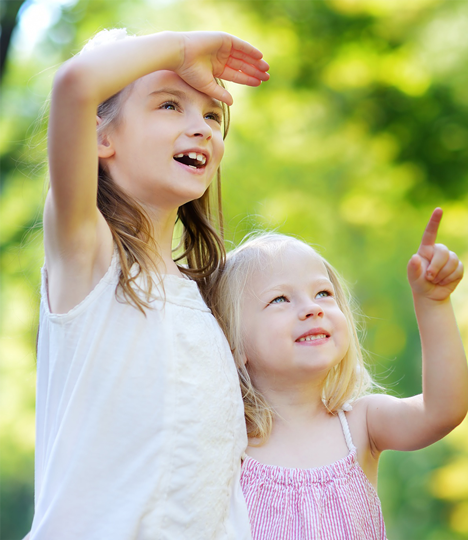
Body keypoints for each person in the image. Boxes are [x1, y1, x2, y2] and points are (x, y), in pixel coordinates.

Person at [29, 28, 269, 540]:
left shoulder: (205, 298)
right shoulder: (88, 254)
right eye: (168, 106)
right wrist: (182, 49)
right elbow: (74, 84)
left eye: (211, 115)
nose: (201, 128)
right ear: (101, 137)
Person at [211, 208, 468, 539]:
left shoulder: (361, 424)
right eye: (280, 299)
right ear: (235, 346)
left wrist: (433, 304)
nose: (313, 307)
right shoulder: (229, 446)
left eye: (323, 293)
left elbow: (443, 411)